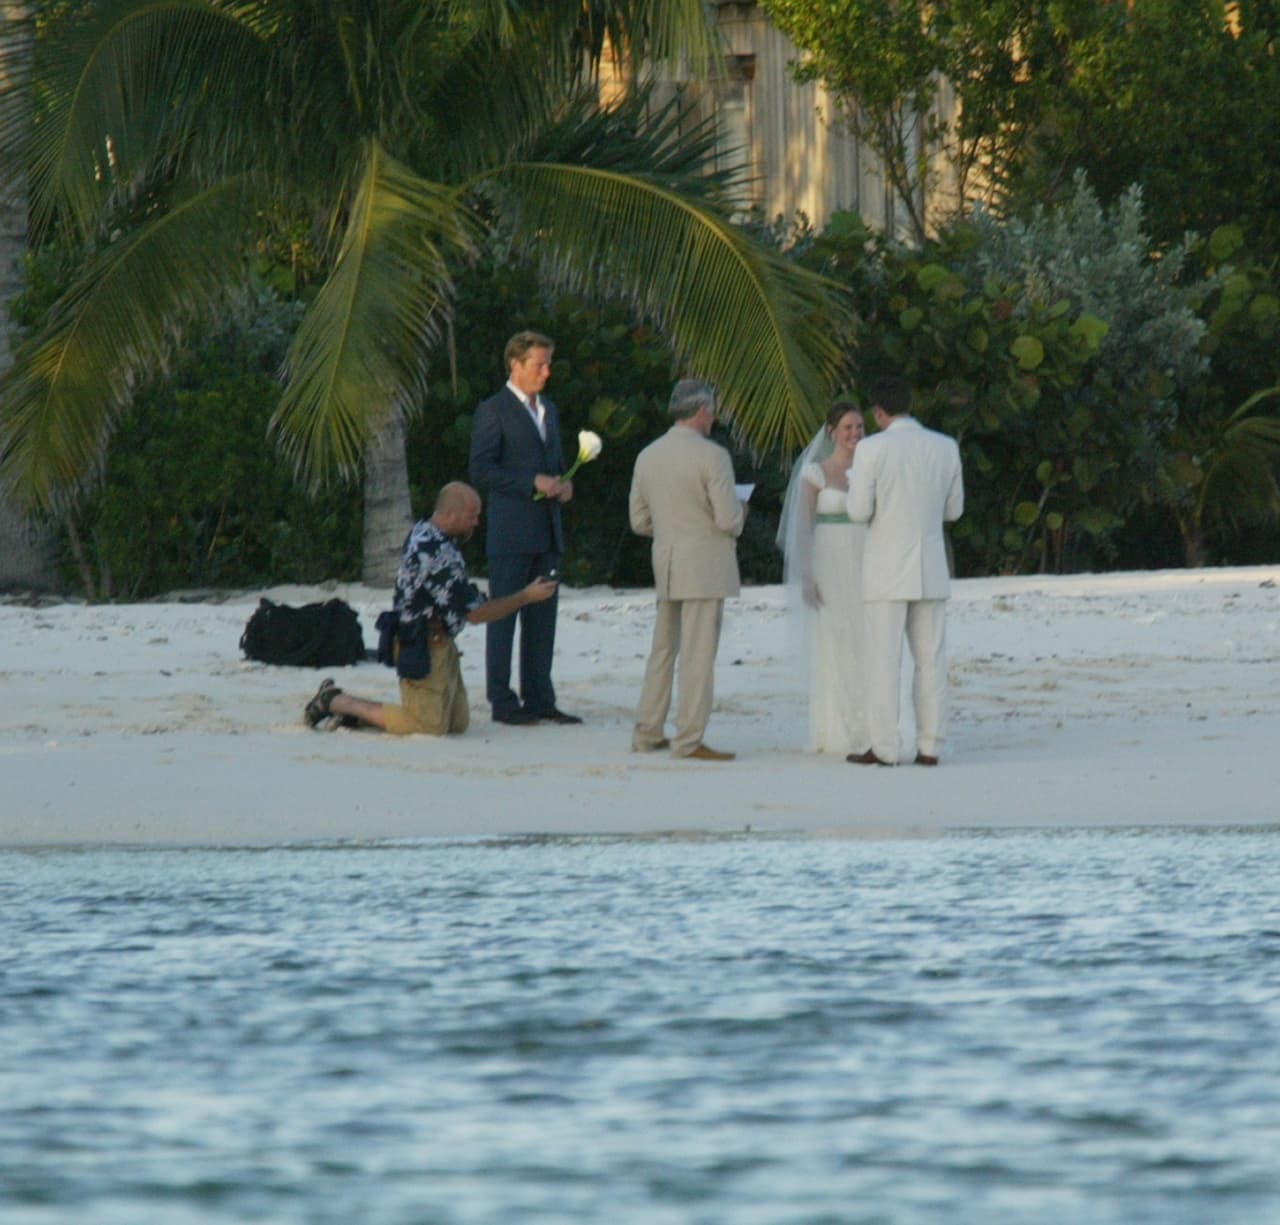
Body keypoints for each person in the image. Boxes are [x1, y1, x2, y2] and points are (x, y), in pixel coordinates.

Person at [303, 482, 557, 735]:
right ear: (450, 515)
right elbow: (477, 614)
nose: (477, 523)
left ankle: (354, 718)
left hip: (442, 642)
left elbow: (455, 595)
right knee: (428, 727)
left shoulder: (428, 531)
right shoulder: (433, 550)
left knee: (457, 723)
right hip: (422, 644)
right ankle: (337, 701)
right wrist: (526, 596)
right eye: (472, 516)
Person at [845, 375, 964, 766]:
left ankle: (885, 746)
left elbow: (859, 511)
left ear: (878, 412)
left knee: (884, 660)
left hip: (885, 568)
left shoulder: (872, 449)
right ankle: (930, 746)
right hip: (930, 566)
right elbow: (954, 511)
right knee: (931, 660)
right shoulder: (945, 447)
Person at [629, 379, 746, 761]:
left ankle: (647, 731)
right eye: (711, 410)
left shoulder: (647, 455)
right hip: (705, 563)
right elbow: (728, 519)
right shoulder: (712, 456)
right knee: (697, 654)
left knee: (662, 650)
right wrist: (742, 510)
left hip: (667, 560)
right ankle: (689, 738)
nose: (713, 418)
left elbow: (639, 521)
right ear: (700, 411)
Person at [468, 330, 581, 726]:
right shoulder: (494, 409)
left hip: (547, 530)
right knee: (504, 615)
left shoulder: (548, 408)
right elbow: (481, 469)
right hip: (511, 531)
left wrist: (564, 485)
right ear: (515, 365)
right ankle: (502, 700)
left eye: (548, 364)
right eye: (539, 364)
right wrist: (530, 481)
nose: (546, 372)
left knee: (543, 619)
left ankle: (539, 697)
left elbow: (558, 461)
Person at [776, 401, 870, 756]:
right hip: (829, 561)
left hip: (865, 560)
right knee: (834, 640)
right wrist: (807, 577)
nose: (855, 434)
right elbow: (802, 529)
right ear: (832, 433)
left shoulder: (869, 469)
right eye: (847, 427)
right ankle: (837, 728)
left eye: (859, 427)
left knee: (866, 639)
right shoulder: (815, 473)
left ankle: (870, 723)